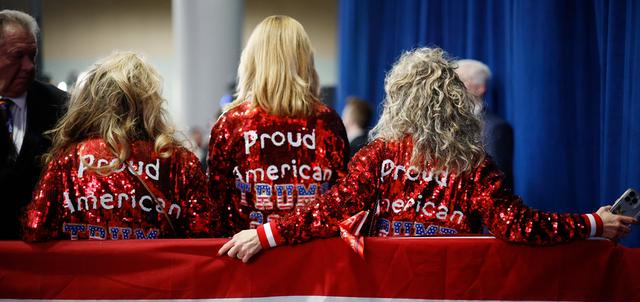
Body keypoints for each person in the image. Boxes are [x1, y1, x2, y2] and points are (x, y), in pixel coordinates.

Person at [219, 47, 637, 262]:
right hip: (453, 297)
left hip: (384, 297)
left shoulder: (378, 155)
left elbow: (330, 209)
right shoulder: (474, 165)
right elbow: (519, 225)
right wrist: (593, 223)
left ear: (398, 100)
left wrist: (265, 234)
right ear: (454, 100)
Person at [22, 52, 212, 240]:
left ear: (92, 101)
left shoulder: (67, 160)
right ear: (150, 103)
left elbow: (35, 228)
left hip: (85, 269)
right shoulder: (179, 161)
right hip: (158, 270)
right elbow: (204, 230)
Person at [207, 15, 349, 237]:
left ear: (252, 61)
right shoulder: (328, 122)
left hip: (248, 258)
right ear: (305, 61)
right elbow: (340, 203)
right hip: (314, 256)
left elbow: (216, 208)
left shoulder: (232, 123)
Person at [0, 10, 68, 239]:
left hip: (43, 248)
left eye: (32, 55)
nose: (29, 66)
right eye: (18, 55)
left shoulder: (61, 106)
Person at [455, 59, 514, 188]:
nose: (453, 89)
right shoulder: (446, 124)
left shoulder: (496, 129)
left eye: (460, 82)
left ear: (480, 88)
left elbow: (497, 184)